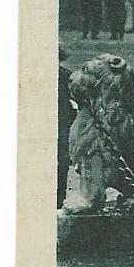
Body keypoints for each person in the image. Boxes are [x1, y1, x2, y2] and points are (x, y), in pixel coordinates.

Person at [57, 45, 76, 209]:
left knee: (61, 163)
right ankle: (59, 199)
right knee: (61, 164)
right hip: (62, 123)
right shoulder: (66, 76)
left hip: (61, 123)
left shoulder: (66, 76)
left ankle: (58, 199)